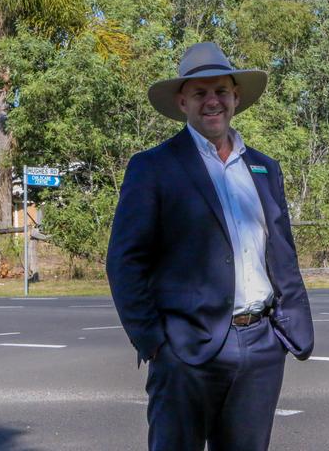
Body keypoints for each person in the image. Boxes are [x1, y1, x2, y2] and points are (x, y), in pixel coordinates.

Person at [106, 42, 314, 451]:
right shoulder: (154, 166)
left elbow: (281, 251)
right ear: (182, 102)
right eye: (200, 93)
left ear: (236, 97)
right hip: (185, 351)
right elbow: (124, 262)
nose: (212, 101)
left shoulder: (264, 167)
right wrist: (156, 343)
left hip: (260, 346)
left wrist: (284, 330)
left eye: (220, 91)